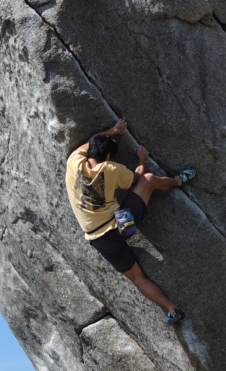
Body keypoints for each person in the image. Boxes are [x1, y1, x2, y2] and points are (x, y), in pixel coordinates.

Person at [64, 119, 196, 324]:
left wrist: (113, 131)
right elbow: (137, 178)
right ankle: (178, 181)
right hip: (122, 225)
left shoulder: (74, 162)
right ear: (108, 156)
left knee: (137, 278)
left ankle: (172, 309)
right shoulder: (110, 168)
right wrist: (142, 159)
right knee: (150, 180)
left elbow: (87, 144)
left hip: (99, 239)